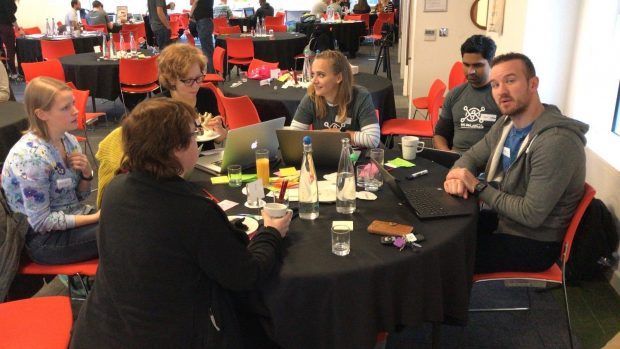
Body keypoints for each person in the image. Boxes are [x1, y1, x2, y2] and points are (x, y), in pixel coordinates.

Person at [70, 98, 291, 348]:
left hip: (100, 330)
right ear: (176, 148)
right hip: (170, 335)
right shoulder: (194, 212)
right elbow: (246, 276)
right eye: (194, 135)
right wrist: (271, 232)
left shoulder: (116, 189)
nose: (198, 142)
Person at [443, 53, 589, 274]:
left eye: (510, 81)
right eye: (495, 84)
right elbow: (471, 157)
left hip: (534, 243)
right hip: (505, 221)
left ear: (533, 83)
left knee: (441, 258)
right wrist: (457, 175)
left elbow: (531, 214)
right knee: (440, 231)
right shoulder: (506, 124)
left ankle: (444, 307)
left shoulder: (557, 142)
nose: (501, 91)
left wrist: (477, 186)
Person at [95, 43, 226, 208]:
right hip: (174, 174)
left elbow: (219, 138)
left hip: (208, 166)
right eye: (188, 81)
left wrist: (221, 132)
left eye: (199, 78)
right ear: (171, 80)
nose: (196, 85)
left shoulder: (206, 95)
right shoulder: (159, 108)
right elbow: (153, 156)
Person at [1, 77, 99, 265]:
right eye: (65, 108)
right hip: (43, 240)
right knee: (121, 231)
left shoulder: (67, 140)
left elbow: (78, 197)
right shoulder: (31, 159)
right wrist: (94, 217)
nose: (76, 111)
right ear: (41, 114)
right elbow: (41, 222)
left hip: (71, 216)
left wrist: (87, 174)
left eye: (73, 104)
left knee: (123, 220)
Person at [291, 50, 380, 148]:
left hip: (353, 159)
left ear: (338, 78)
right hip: (323, 157)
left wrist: (335, 133)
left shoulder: (361, 96)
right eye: (313, 74)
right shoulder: (311, 97)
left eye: (321, 75)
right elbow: (293, 136)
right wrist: (340, 135)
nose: (314, 81)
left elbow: (373, 139)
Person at [433, 35, 500, 154]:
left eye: (477, 65)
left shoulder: (502, 96)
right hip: (455, 162)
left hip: (488, 165)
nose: (471, 71)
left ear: (492, 62)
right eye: (466, 65)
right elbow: (440, 134)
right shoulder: (454, 95)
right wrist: (446, 154)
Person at [0, 0, 23, 80]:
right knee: (10, 50)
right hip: (5, 26)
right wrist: (17, 28)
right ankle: (14, 73)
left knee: (1, 50)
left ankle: (4, 73)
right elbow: (10, 15)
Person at [190, 0, 215, 73]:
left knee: (207, 50)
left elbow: (193, 2)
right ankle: (211, 73)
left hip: (203, 22)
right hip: (205, 21)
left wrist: (190, 15)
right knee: (207, 50)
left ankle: (212, 75)